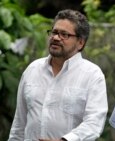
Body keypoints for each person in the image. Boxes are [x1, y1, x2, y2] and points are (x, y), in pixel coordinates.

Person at [7, 9, 108, 141]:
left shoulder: (92, 75)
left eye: (64, 34)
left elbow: (94, 124)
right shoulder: (32, 69)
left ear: (80, 42)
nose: (55, 38)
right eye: (54, 32)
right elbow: (19, 123)